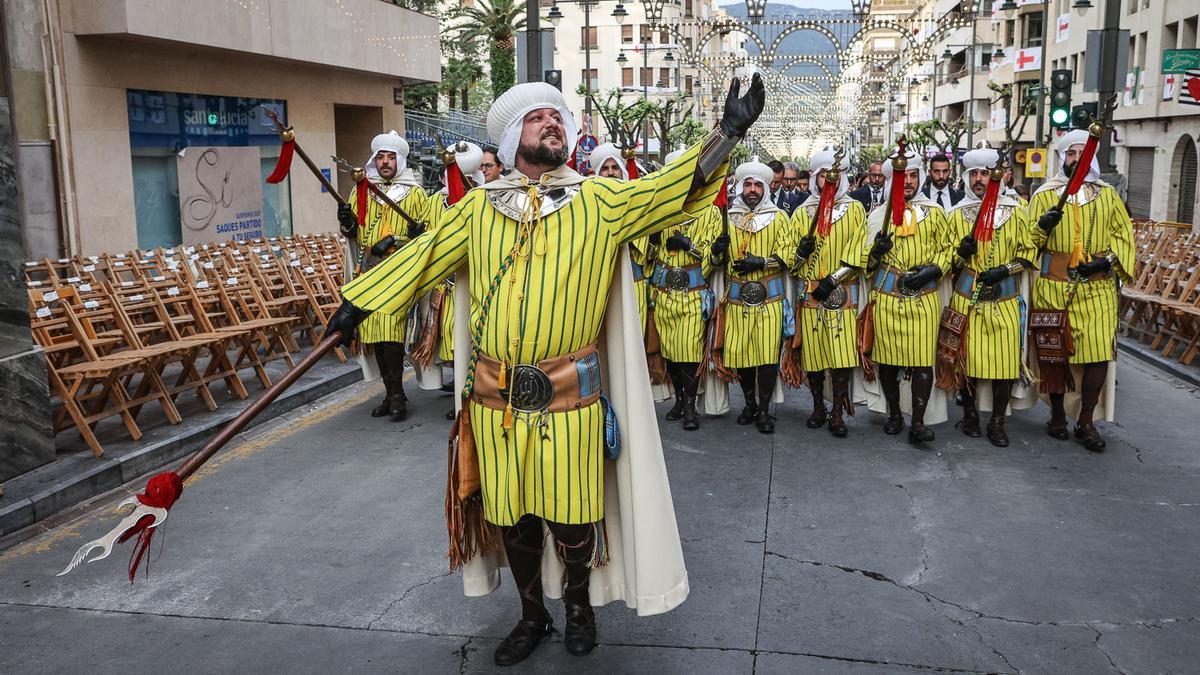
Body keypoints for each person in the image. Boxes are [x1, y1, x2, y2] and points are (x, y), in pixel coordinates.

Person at [326, 77, 765, 665]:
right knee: (513, 513)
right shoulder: (476, 210)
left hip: (570, 397)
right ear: (512, 138)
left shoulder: (600, 203)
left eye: (557, 116)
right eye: (537, 118)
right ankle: (532, 614)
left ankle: (579, 606)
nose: (552, 122)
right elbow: (419, 257)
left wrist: (728, 132)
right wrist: (359, 303)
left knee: (572, 512)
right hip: (496, 399)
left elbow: (670, 188)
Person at [1027, 128, 1135, 452]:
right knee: (1053, 356)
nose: (1076, 160)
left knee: (1098, 355)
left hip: (1097, 289)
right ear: (1063, 159)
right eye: (1070, 154)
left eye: (1081, 154)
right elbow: (1026, 243)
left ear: (1092, 159)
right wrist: (1041, 226)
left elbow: (1123, 237)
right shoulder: (1045, 195)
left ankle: (1086, 420)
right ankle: (1057, 415)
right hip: (1053, 287)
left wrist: (1105, 262)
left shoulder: (1108, 196)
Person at [944, 144, 1036, 447]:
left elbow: (1028, 253)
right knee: (966, 360)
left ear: (996, 176)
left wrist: (1004, 269)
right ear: (967, 177)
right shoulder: (956, 215)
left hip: (1005, 298)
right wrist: (960, 255)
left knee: (1006, 363)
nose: (979, 179)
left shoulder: (1016, 211)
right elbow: (945, 259)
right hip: (967, 297)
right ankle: (970, 414)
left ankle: (997, 420)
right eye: (974, 174)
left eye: (985, 173)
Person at [336, 130, 431, 421]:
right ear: (374, 160)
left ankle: (399, 395)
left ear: (400, 160)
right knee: (374, 335)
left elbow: (426, 232)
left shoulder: (415, 193)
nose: (385, 162)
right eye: (381, 157)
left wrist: (397, 240)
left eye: (391, 157)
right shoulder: (361, 189)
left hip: (397, 274)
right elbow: (356, 233)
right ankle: (390, 393)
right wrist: (348, 223)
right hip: (368, 270)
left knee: (391, 333)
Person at [860, 146, 952, 444]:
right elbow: (862, 260)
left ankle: (919, 422)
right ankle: (895, 414)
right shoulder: (877, 217)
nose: (909, 181)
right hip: (888, 298)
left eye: (913, 175)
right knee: (888, 362)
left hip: (924, 297)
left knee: (923, 360)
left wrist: (935, 269)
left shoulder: (936, 214)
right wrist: (875, 251)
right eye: (903, 177)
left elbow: (947, 249)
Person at [718, 158, 797, 434]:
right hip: (738, 299)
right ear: (741, 186)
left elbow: (788, 254)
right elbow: (717, 260)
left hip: (769, 300)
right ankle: (749, 403)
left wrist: (761, 262)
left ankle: (764, 409)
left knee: (766, 358)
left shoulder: (779, 218)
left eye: (757, 185)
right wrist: (718, 250)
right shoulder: (726, 218)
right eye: (748, 184)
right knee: (741, 356)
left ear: (765, 187)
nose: (752, 190)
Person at [794, 147, 868, 437]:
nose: (828, 179)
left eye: (833, 174)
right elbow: (792, 258)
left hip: (842, 294)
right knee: (813, 357)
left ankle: (838, 411)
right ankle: (817, 406)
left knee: (840, 358)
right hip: (811, 294)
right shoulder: (802, 213)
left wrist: (835, 278)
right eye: (823, 175)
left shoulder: (854, 210)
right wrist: (800, 254)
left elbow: (858, 250)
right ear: (816, 177)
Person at [650, 148, 724, 431]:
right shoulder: (660, 211)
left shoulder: (711, 214)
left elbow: (712, 260)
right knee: (669, 352)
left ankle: (691, 405)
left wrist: (689, 246)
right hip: (665, 293)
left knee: (690, 352)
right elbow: (649, 256)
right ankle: (679, 399)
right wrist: (655, 239)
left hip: (693, 295)